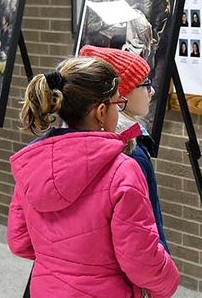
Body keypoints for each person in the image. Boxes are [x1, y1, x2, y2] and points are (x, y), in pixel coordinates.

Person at [7, 57, 180, 297]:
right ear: (101, 112)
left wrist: (59, 260)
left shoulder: (31, 165)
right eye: (117, 102)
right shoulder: (123, 171)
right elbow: (141, 260)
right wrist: (169, 282)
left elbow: (20, 241)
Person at [79, 46, 169, 252]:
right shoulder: (131, 153)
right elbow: (144, 228)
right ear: (121, 95)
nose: (152, 90)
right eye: (145, 83)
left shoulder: (83, 139)